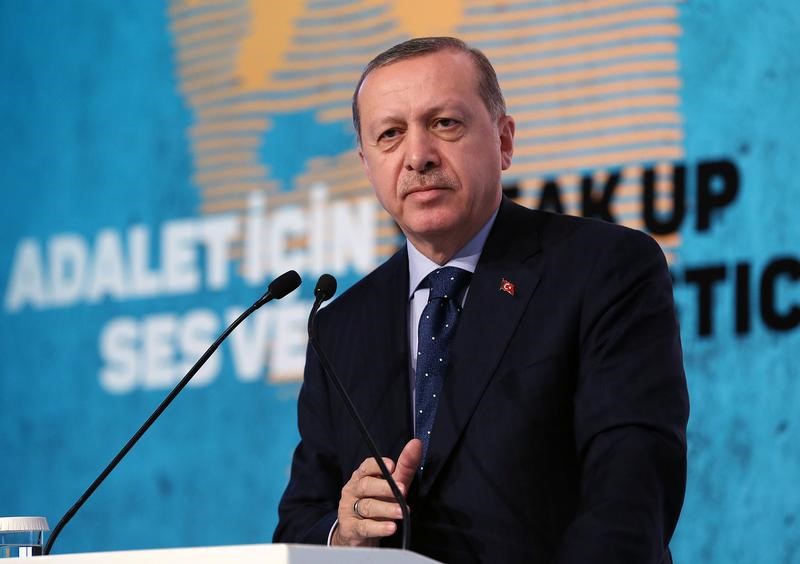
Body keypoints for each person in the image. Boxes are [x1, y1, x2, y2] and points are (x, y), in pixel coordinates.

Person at [274, 36, 689, 563]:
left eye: (445, 123)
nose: (418, 156)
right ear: (367, 164)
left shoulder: (601, 267)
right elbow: (298, 524)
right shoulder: (340, 327)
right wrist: (345, 533)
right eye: (391, 134)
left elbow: (633, 479)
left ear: (504, 140)